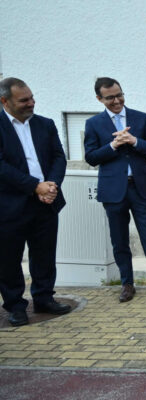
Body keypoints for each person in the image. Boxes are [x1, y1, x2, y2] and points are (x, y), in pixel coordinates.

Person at [84, 77, 146, 302]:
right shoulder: (94, 124)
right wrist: (113, 145)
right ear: (99, 99)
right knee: (119, 240)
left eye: (120, 95)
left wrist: (133, 141)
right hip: (113, 191)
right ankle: (127, 284)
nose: (117, 100)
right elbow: (91, 157)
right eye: (110, 97)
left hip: (140, 188)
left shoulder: (141, 118)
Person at [0, 77, 71, 326]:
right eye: (24, 100)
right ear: (4, 101)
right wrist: (34, 186)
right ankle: (15, 306)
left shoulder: (45, 124)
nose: (31, 103)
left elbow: (58, 157)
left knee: (44, 254)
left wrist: (51, 185)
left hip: (46, 201)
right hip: (10, 205)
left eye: (31, 97)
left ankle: (43, 298)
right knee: (9, 258)